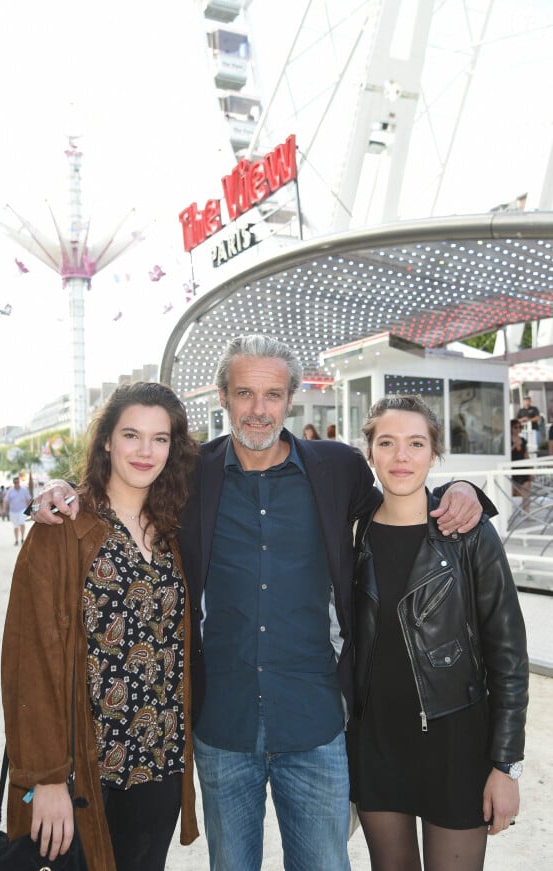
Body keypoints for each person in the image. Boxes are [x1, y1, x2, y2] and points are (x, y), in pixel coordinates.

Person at [30, 336, 491, 871]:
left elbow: (401, 499)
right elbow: (121, 487)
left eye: (272, 395)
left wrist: (460, 487)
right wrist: (64, 488)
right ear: (223, 397)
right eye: (244, 392)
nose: (258, 409)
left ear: (291, 398)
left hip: (315, 722)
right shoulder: (189, 474)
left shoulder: (337, 468)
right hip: (222, 727)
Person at [1, 382, 199, 871]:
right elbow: (30, 660)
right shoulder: (63, 528)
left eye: (160, 438)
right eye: (131, 435)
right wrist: (46, 779)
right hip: (87, 769)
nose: (145, 451)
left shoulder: (173, 526)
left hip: (159, 760)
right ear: (106, 440)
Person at [347, 395, 529, 871]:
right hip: (378, 745)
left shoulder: (467, 533)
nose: (401, 456)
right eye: (387, 443)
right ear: (370, 453)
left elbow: (508, 656)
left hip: (457, 746)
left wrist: (506, 766)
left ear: (434, 454)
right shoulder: (353, 534)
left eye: (416, 443)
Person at [511, 418, 531, 511]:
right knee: (511, 490)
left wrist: (531, 469)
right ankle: (510, 511)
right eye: (516, 427)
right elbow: (507, 453)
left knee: (526, 489)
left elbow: (526, 455)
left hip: (523, 467)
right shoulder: (507, 440)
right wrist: (514, 445)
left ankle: (527, 510)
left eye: (520, 427)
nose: (518, 429)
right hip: (512, 469)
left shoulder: (523, 440)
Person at [4, 475, 31, 545]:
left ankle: (22, 538)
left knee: (22, 523)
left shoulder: (24, 490)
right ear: (13, 483)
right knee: (15, 526)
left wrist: (29, 510)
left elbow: (28, 500)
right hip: (13, 511)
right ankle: (16, 540)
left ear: (19, 482)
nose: (16, 484)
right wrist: (4, 509)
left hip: (22, 509)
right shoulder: (10, 491)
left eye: (17, 482)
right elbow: (6, 501)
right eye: (15, 482)